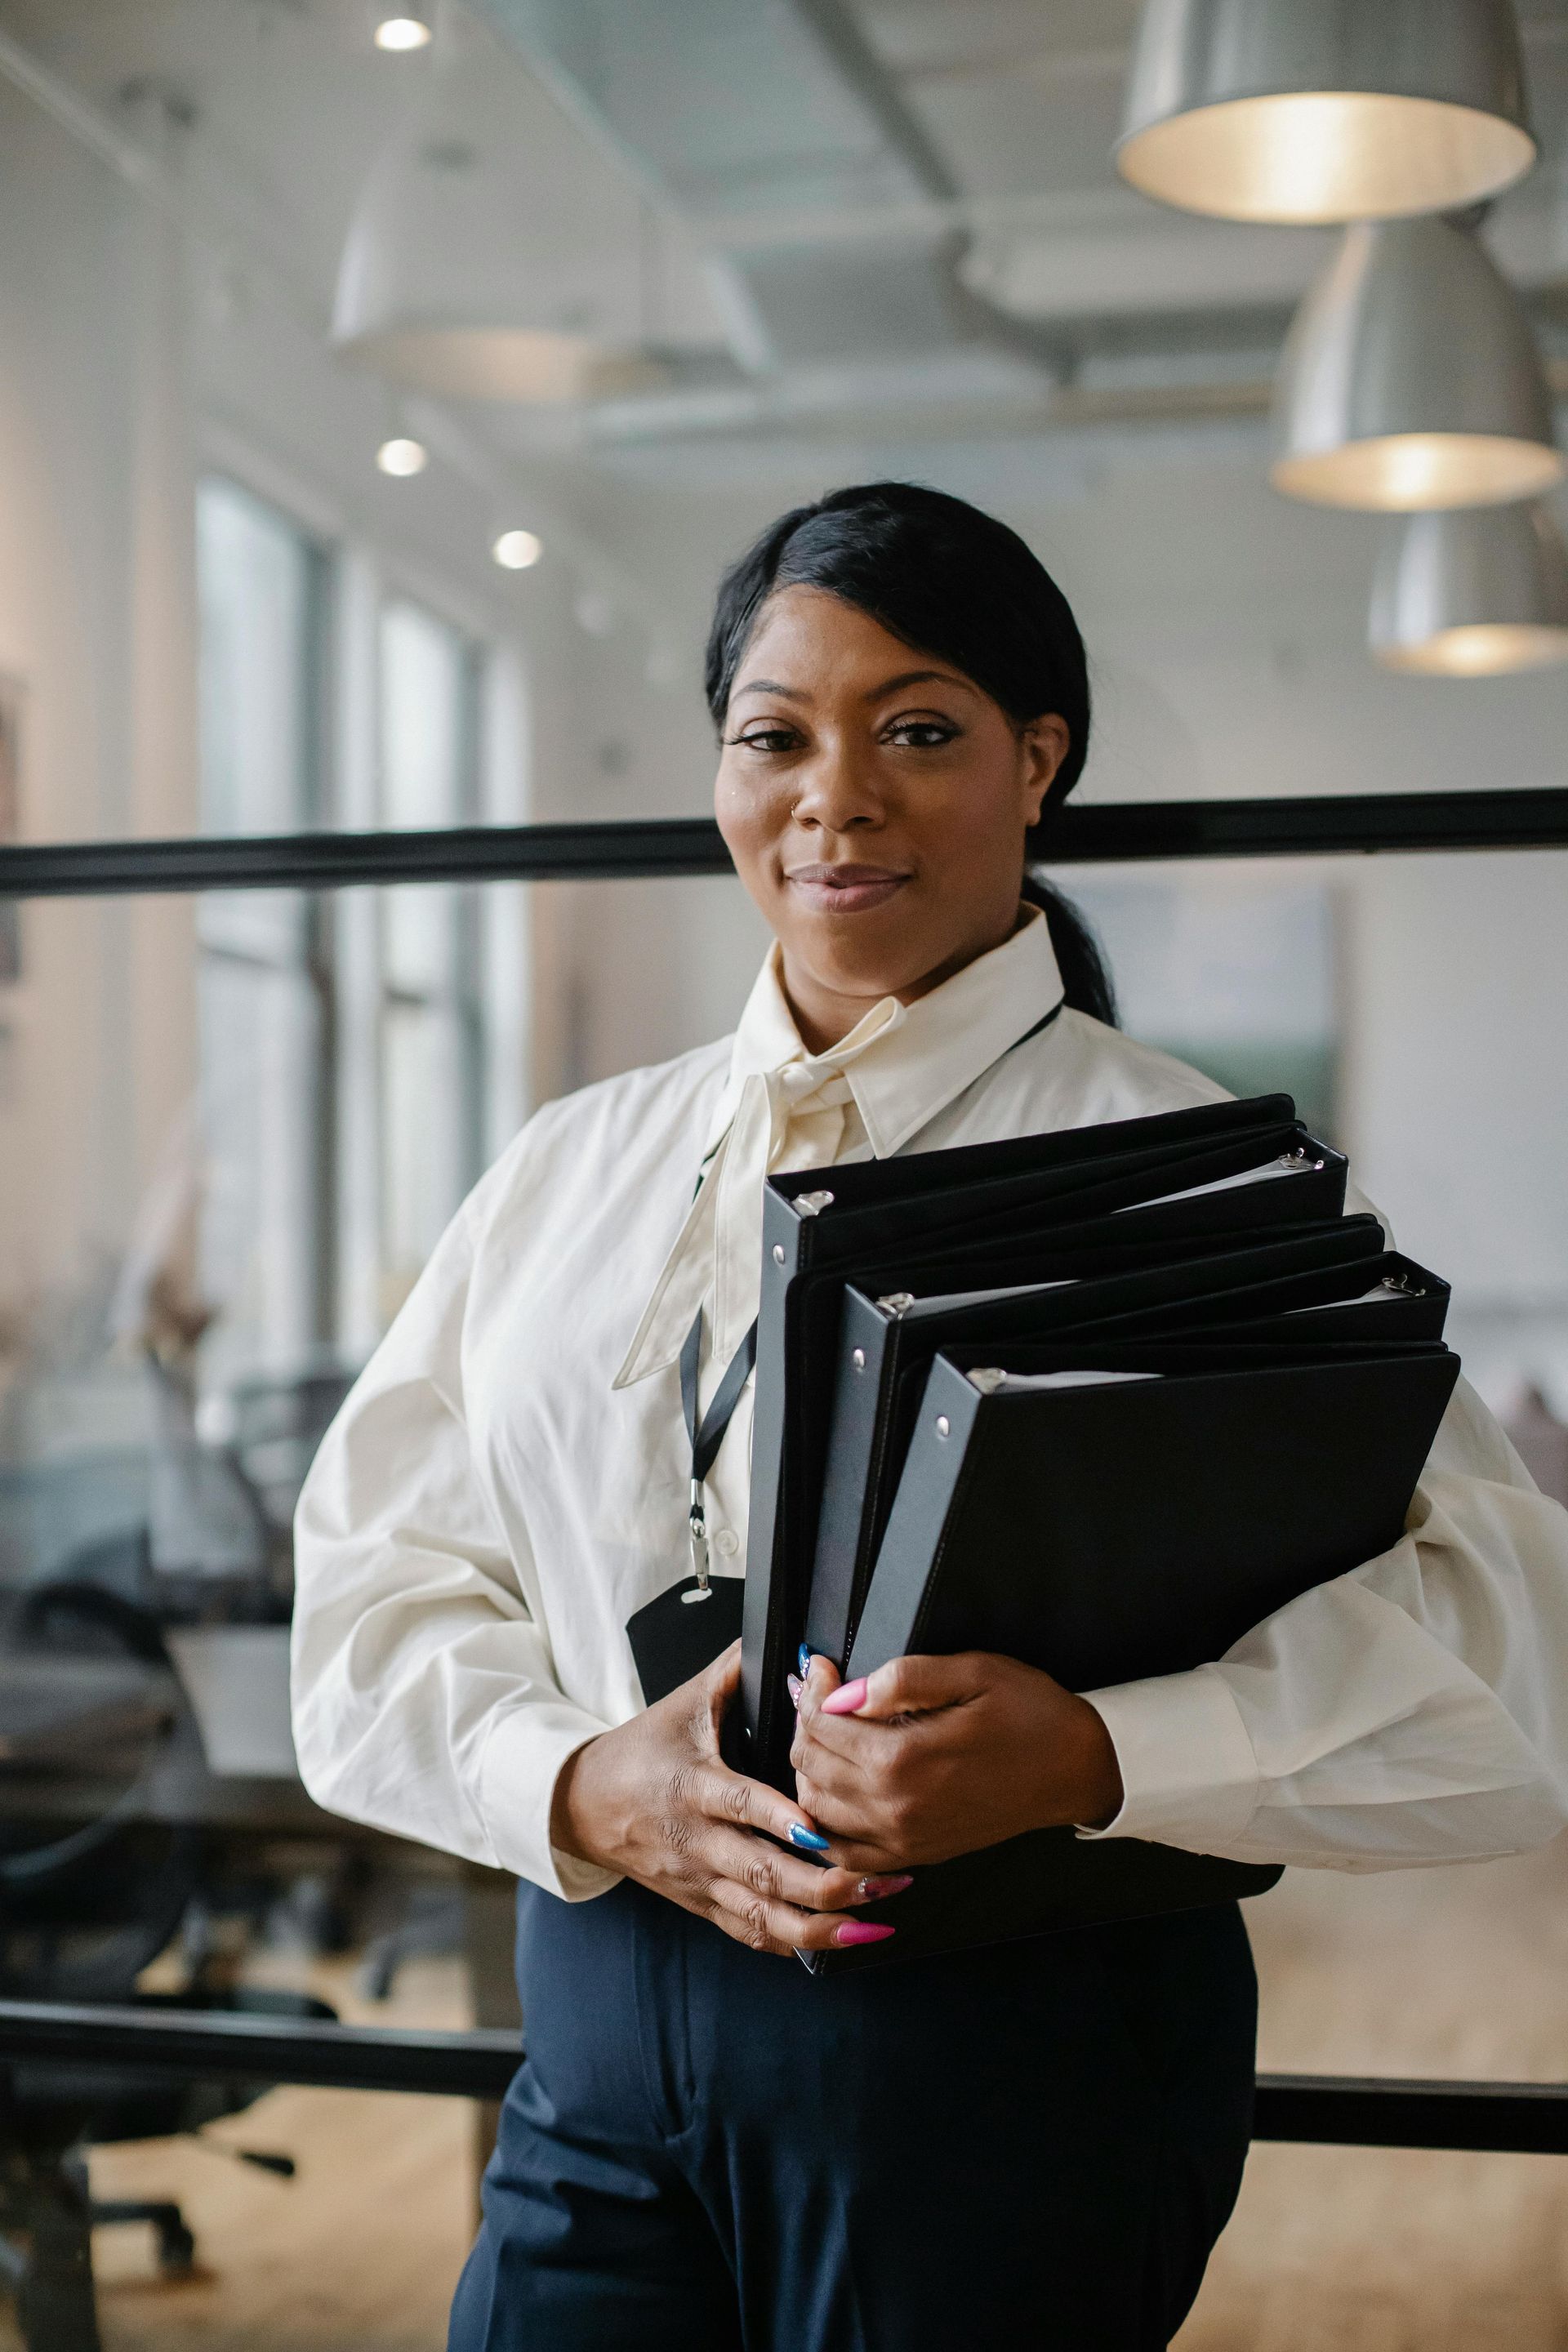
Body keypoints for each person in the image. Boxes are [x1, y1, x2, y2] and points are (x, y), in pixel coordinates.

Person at [291, 482, 1568, 2350]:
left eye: (917, 729)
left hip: (1013, 2076)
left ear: (1037, 760)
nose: (835, 797)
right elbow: (367, 1591)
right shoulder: (571, 1167)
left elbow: (1502, 1661)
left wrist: (1102, 1752)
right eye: (773, 736)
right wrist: (571, 1781)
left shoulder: (1193, 1180)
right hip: (597, 2035)